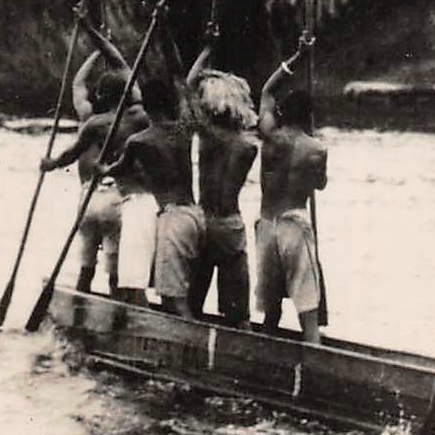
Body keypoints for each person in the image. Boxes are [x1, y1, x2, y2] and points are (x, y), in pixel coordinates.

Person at [40, 26, 149, 295]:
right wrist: (104, 47)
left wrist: (51, 163)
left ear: (99, 95)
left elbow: (78, 84)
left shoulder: (89, 120)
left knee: (85, 268)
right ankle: (115, 313)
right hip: (116, 198)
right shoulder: (136, 118)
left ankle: (80, 311)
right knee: (115, 272)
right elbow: (124, 68)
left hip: (87, 198)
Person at [100, 79, 201, 318]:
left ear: (146, 106)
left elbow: (118, 168)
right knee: (182, 294)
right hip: (196, 216)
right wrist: (206, 50)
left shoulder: (138, 140)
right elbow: (186, 84)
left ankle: (184, 346)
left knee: (172, 299)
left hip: (173, 217)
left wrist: (100, 170)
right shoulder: (184, 129)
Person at [256, 36, 329, 344]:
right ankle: (315, 360)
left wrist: (297, 57)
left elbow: (266, 90)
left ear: (284, 113)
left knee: (271, 309)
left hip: (266, 226)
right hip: (294, 226)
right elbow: (320, 184)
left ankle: (265, 355)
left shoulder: (269, 136)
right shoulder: (317, 149)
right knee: (308, 310)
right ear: (309, 116)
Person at [183, 28, 258, 325]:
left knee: (193, 298)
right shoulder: (248, 145)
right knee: (237, 310)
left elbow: (186, 90)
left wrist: (205, 52)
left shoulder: (208, 137)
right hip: (229, 224)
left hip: (204, 221)